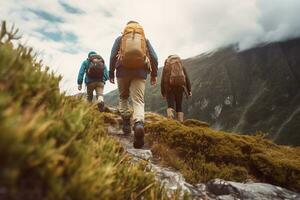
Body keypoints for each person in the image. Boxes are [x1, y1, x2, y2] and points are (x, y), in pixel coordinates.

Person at [109, 21, 158, 148]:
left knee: (123, 97)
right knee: (138, 101)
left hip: (122, 71)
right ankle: (138, 124)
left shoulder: (120, 39)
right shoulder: (144, 40)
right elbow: (154, 57)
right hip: (140, 72)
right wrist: (154, 75)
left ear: (125, 29)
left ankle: (126, 123)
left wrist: (110, 73)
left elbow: (112, 56)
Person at [161, 55, 192, 122]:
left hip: (169, 89)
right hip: (180, 88)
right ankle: (180, 121)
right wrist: (189, 90)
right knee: (179, 105)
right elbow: (187, 79)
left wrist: (163, 92)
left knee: (170, 105)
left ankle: (171, 120)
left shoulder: (166, 67)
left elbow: (163, 80)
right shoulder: (181, 65)